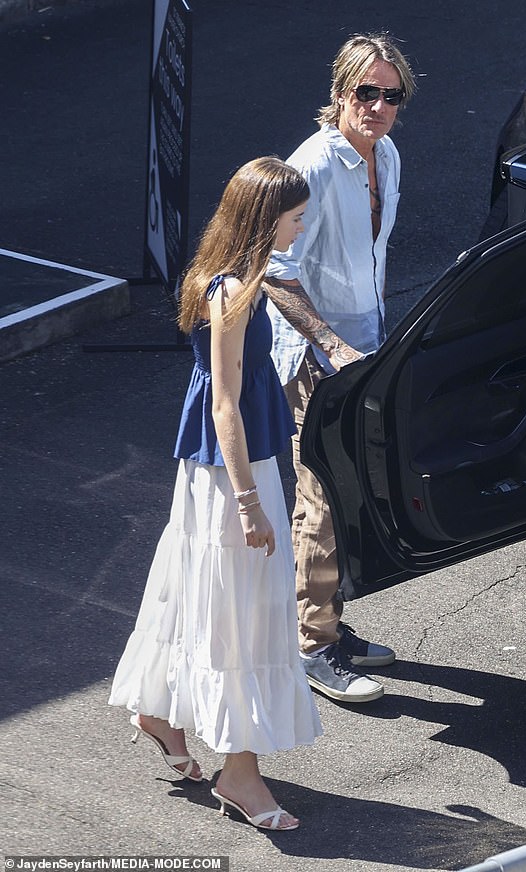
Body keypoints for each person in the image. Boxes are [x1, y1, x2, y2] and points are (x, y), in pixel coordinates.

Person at [109, 157, 327, 832]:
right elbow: (226, 405)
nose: (303, 223)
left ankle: (162, 713)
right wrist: (249, 502)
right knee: (242, 610)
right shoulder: (234, 290)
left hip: (220, 472)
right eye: (295, 216)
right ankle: (240, 772)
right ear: (266, 221)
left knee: (202, 592)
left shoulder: (241, 277)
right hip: (233, 472)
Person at [265, 33, 416, 704]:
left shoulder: (386, 154)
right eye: (366, 91)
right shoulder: (314, 167)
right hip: (314, 359)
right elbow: (272, 270)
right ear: (339, 93)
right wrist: (332, 345)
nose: (378, 105)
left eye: (391, 94)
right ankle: (310, 647)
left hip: (362, 352)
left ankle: (329, 621)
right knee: (319, 502)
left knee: (352, 494)